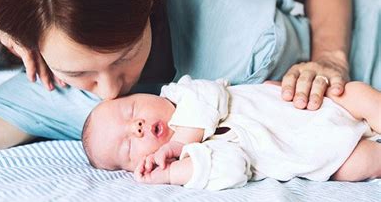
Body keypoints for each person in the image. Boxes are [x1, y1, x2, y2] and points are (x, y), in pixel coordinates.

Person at [0, 0, 379, 154]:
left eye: (125, 54)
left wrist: (330, 58)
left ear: (148, 1)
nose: (110, 90)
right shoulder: (49, 91)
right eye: (81, 73)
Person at [81, 76, 380, 190]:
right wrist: (173, 173)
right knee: (360, 164)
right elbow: (234, 169)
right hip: (318, 151)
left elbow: (212, 96)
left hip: (316, 106)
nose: (136, 127)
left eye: (131, 111)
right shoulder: (195, 160)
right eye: (128, 148)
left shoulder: (184, 93)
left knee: (358, 94)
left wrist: (180, 140)